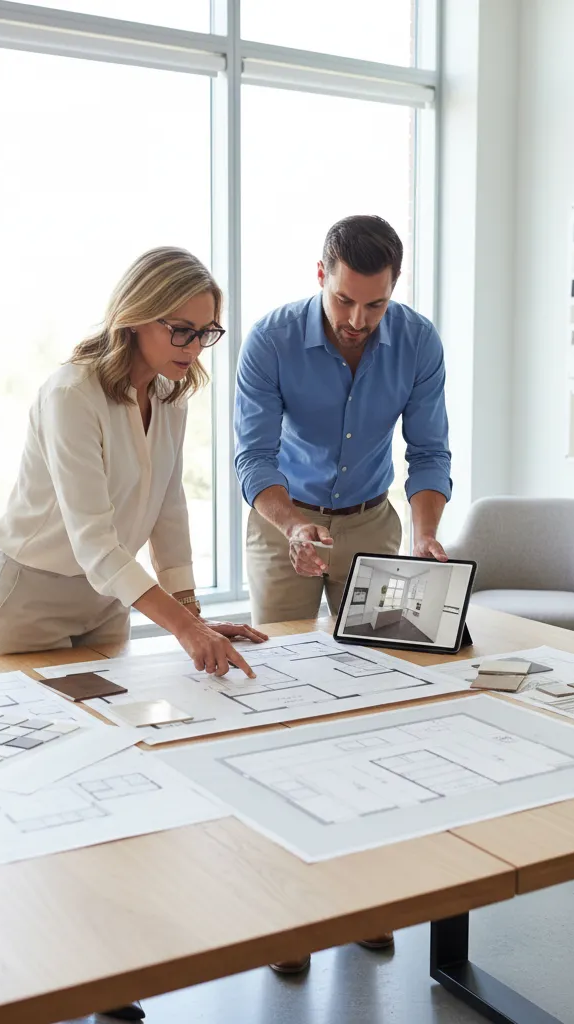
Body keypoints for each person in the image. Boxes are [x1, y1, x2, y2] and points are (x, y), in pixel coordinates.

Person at [0, 246, 267, 1022]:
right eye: (182, 328)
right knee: (35, 782)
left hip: (109, 604)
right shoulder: (69, 392)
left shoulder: (170, 394)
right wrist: (180, 630)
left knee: (109, 774)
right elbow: (94, 541)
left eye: (208, 333)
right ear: (135, 316)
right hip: (31, 599)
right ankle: (31, 967)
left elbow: (168, 510)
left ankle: (113, 971)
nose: (195, 346)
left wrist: (192, 610)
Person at [233, 215, 453, 972]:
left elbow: (428, 451)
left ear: (394, 291)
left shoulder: (418, 342)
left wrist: (423, 536)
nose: (359, 321)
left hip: (372, 524)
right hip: (282, 526)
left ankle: (367, 896)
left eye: (376, 306)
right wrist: (292, 527)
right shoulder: (269, 339)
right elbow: (253, 456)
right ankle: (288, 916)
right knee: (281, 710)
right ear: (319, 273)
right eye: (345, 302)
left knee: (375, 708)